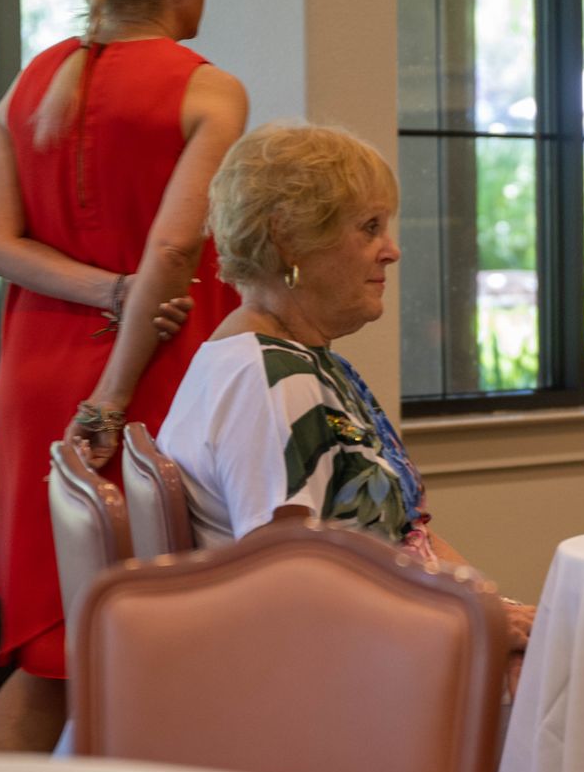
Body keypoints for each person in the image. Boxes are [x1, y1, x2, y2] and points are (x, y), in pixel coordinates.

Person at [0, 0, 250, 751]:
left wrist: (99, 289)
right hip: (147, 378)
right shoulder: (207, 92)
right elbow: (170, 256)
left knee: (56, 654)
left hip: (35, 376)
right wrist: (109, 398)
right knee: (170, 638)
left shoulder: (31, 84)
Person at [155, 122, 534, 654]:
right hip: (354, 677)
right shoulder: (267, 384)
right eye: (369, 227)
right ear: (288, 238)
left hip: (398, 644)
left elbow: (406, 533)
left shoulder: (296, 361)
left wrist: (491, 605)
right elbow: (288, 591)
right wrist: (472, 621)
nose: (392, 251)